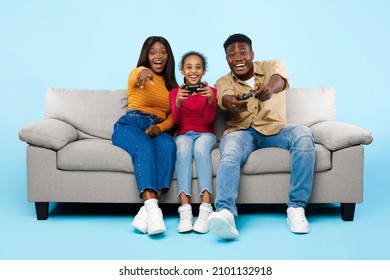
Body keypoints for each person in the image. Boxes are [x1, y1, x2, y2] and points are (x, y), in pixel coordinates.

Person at [207, 33, 315, 240]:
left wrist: (269, 89)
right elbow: (225, 97)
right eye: (231, 54)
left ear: (252, 54)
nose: (238, 57)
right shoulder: (222, 80)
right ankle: (225, 212)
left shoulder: (271, 65)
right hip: (241, 132)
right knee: (228, 151)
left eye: (243, 52)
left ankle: (296, 208)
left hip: (274, 130)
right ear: (227, 59)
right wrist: (233, 103)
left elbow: (279, 80)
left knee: (304, 134)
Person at [112, 36, 178, 235]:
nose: (158, 56)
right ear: (146, 56)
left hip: (156, 128)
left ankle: (146, 210)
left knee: (168, 146)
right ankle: (155, 213)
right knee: (145, 148)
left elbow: (173, 117)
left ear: (169, 57)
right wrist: (145, 73)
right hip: (131, 124)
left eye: (163, 52)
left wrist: (161, 128)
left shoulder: (172, 87)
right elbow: (140, 73)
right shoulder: (137, 73)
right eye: (153, 52)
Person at [169, 51, 217, 234]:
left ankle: (205, 209)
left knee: (201, 149)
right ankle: (185, 211)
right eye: (189, 67)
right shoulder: (175, 93)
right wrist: (178, 104)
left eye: (198, 67)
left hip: (206, 133)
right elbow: (177, 122)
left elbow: (208, 121)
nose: (193, 71)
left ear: (204, 71)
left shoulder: (211, 91)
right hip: (184, 133)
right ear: (182, 70)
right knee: (182, 149)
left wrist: (210, 101)